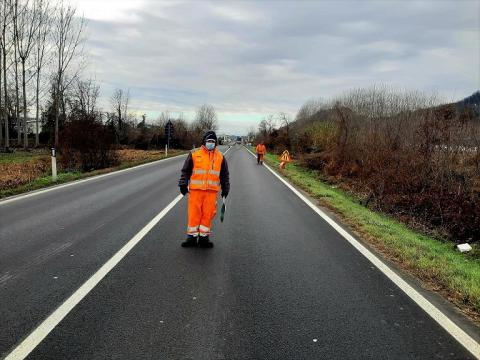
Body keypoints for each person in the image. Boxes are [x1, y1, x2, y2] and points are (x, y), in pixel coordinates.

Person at [178, 131, 230, 248]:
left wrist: (226, 188)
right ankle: (191, 238)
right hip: (196, 191)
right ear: (204, 142)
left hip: (211, 193)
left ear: (215, 143)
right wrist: (182, 183)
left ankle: (204, 238)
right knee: (194, 215)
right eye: (208, 141)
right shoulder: (194, 154)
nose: (210, 143)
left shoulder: (220, 157)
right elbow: (185, 171)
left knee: (207, 215)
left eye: (212, 141)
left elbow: (224, 175)